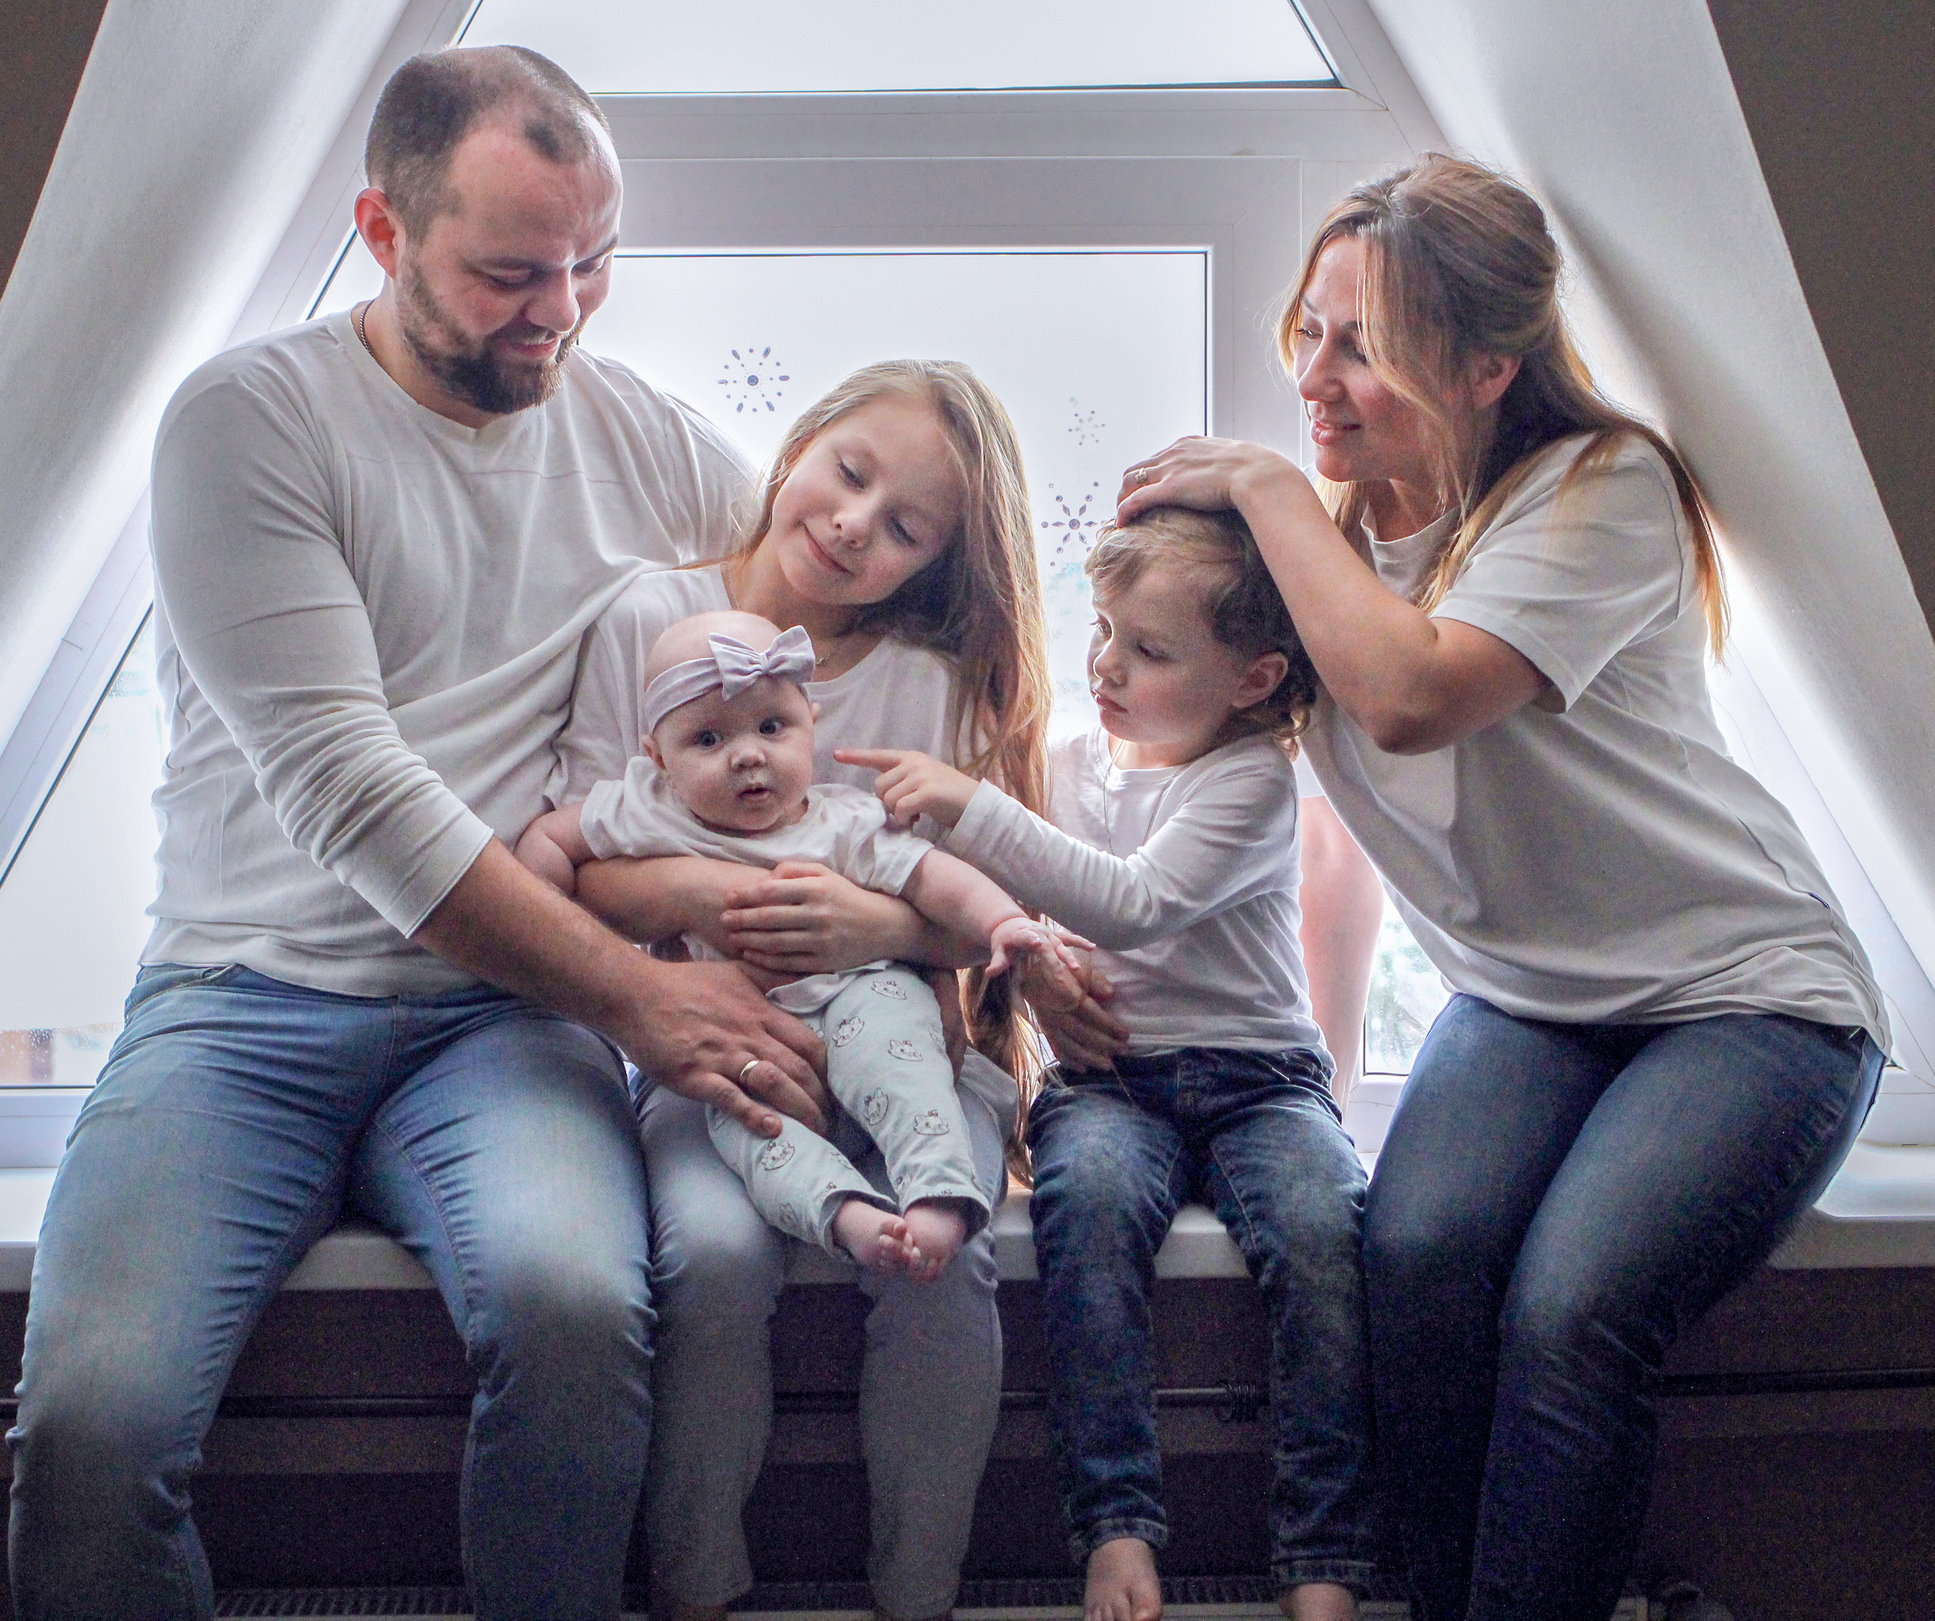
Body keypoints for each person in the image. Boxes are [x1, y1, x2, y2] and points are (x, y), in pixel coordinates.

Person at [6, 47, 821, 1621]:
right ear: (383, 233)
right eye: (512, 273)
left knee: (580, 1312)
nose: (563, 313)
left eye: (593, 265)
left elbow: (838, 627)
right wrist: (642, 992)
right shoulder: (249, 422)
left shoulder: (638, 434)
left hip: (500, 1028)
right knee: (93, 1425)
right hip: (240, 1005)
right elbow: (349, 789)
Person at [1116, 152, 1890, 1621]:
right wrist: (1312, 1075)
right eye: (1312, 333)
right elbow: (1330, 835)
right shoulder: (1327, 557)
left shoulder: (1601, 489)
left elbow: (1410, 700)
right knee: (1406, 1264)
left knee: (1574, 1307)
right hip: (1530, 1001)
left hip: (1746, 998)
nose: (1319, 377)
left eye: (1366, 344)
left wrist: (1271, 486)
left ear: (1486, 366)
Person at [546, 359, 1063, 1621]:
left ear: (931, 567)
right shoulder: (644, 622)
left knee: (949, 1257)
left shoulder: (923, 683)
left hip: (898, 1041)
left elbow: (957, 924)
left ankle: (917, 1585)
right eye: (849, 474)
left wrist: (866, 920)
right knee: (713, 1265)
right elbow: (578, 877)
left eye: (904, 528)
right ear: (799, 448)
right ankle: (697, 1579)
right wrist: (702, 901)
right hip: (710, 1052)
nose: (851, 525)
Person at [848, 505, 1373, 1621]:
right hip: (1108, 1085)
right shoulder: (1073, 760)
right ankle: (1117, 1527)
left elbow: (1132, 905)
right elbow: (1006, 902)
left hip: (1258, 1080)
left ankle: (1322, 1553)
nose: (1106, 664)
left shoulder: (1251, 780)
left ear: (1253, 676)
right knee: (1079, 1224)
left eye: (1149, 649)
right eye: (1101, 630)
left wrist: (972, 803)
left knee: (1326, 1238)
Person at [520, 611, 1082, 1274]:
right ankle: (845, 1215)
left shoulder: (843, 819)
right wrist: (551, 916)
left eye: (770, 726)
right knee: (748, 1127)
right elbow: (552, 840)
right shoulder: (648, 809)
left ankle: (937, 1190)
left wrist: (1002, 922)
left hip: (861, 992)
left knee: (897, 1059)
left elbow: (939, 879)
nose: (749, 753)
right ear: (659, 759)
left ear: (810, 723)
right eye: (708, 737)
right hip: (742, 1033)